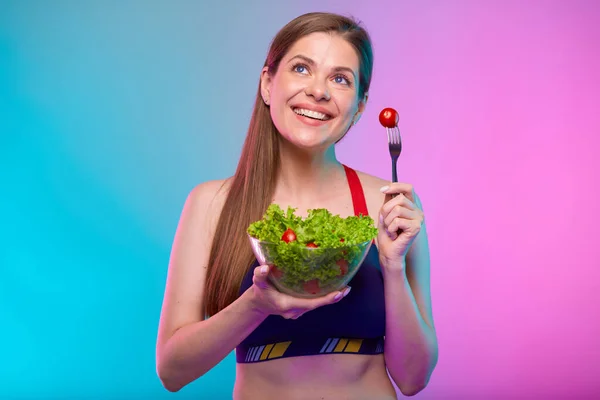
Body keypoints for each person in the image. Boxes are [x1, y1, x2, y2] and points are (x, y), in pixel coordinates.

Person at [155, 11, 438, 400]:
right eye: (302, 68)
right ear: (268, 84)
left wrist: (391, 266)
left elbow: (413, 378)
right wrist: (257, 305)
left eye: (340, 79)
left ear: (358, 107)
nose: (319, 91)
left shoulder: (389, 205)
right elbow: (172, 371)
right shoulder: (212, 205)